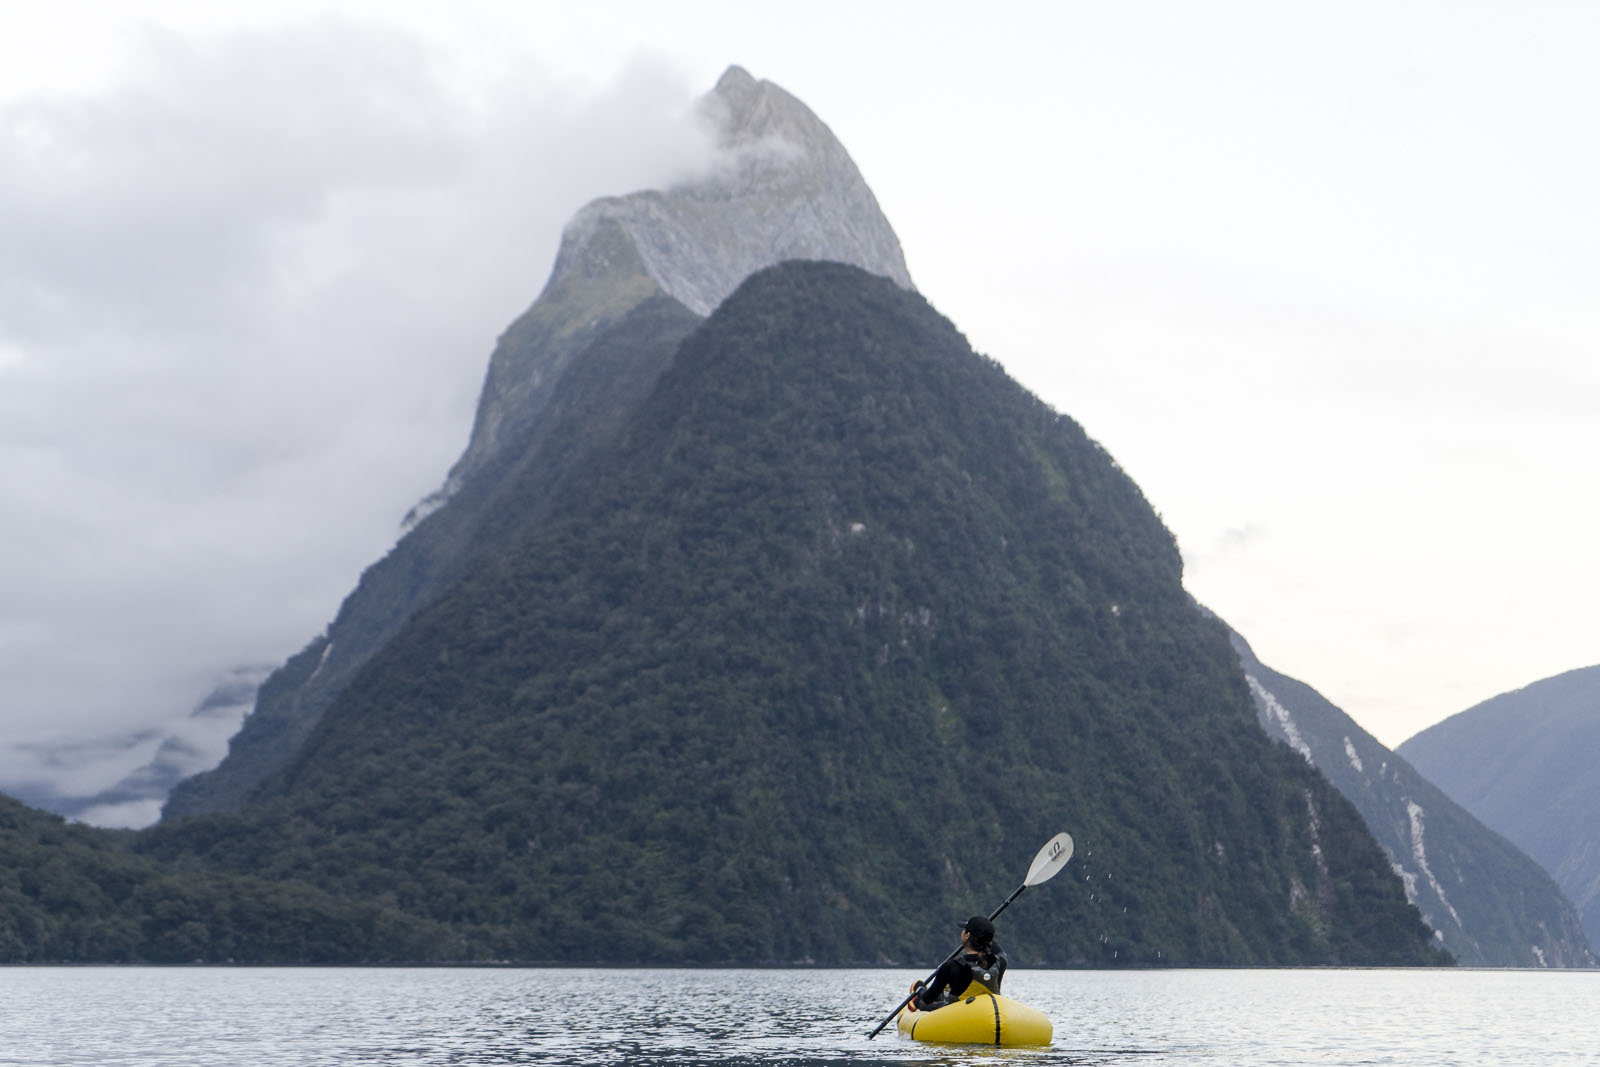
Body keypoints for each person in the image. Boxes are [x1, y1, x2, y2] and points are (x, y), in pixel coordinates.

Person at [908, 915, 1008, 1011]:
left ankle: (917, 997)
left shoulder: (950, 966)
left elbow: (927, 999)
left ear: (967, 935)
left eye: (964, 930)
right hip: (988, 1012)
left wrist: (920, 991)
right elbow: (1000, 951)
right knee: (943, 995)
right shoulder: (1000, 962)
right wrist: (985, 934)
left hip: (959, 1016)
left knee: (922, 996)